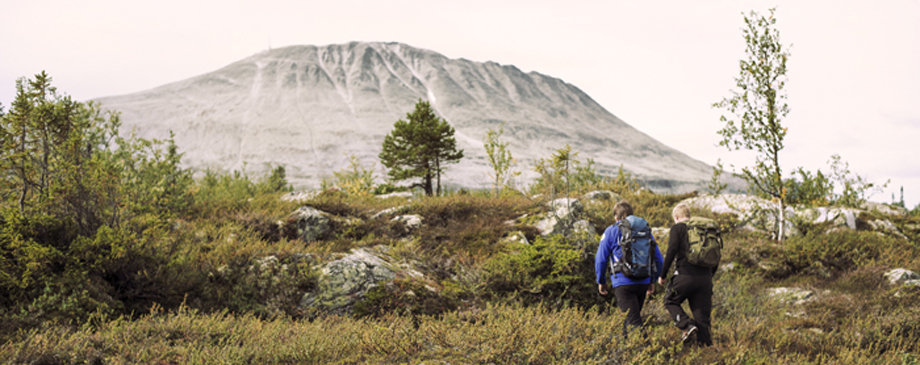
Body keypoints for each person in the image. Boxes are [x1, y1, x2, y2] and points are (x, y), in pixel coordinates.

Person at [595, 200, 664, 337]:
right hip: (643, 281)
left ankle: (649, 354)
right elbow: (658, 259)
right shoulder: (645, 232)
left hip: (623, 283)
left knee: (634, 323)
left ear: (616, 217)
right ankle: (628, 354)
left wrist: (601, 281)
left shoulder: (611, 231)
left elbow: (600, 259)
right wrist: (652, 280)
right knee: (631, 319)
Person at [658, 203, 717, 346]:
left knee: (670, 301)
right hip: (705, 279)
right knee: (703, 320)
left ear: (676, 217)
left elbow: (671, 250)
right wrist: (709, 275)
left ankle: (686, 325)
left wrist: (663, 274)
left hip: (685, 276)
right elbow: (715, 256)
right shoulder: (704, 231)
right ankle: (706, 353)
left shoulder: (678, 228)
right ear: (689, 216)